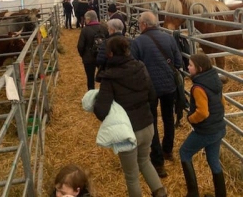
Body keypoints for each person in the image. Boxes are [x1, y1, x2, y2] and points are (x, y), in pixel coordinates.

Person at [93, 35, 167, 197]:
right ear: (127, 50)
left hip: (127, 131)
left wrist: (95, 99)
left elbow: (101, 110)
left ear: (110, 54)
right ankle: (161, 193)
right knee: (145, 161)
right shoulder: (140, 66)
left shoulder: (110, 77)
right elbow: (152, 96)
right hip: (147, 126)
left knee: (132, 175)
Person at [131, 11, 182, 178]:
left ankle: (158, 162)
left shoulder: (137, 42)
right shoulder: (168, 38)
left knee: (151, 121)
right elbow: (178, 62)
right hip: (169, 86)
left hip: (149, 88)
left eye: (139, 24)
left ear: (144, 25)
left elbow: (134, 67)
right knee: (168, 117)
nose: (139, 27)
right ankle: (168, 150)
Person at [180, 53, 226, 197]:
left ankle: (193, 193)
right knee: (213, 160)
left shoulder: (198, 87)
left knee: (184, 152)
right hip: (219, 128)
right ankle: (221, 194)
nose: (188, 67)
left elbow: (203, 113)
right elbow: (222, 103)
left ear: (199, 68)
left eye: (191, 65)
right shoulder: (215, 80)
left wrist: (191, 119)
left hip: (206, 131)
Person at [77, 10, 108, 90]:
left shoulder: (85, 30)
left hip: (88, 58)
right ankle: (104, 93)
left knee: (90, 79)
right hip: (102, 57)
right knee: (104, 78)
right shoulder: (103, 28)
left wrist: (83, 55)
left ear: (88, 19)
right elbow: (108, 41)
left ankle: (91, 97)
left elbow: (80, 46)